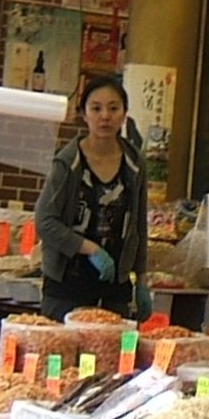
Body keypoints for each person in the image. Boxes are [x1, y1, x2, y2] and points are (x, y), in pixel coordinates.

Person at [35, 77, 152, 322]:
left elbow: (139, 226)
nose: (105, 116)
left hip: (115, 287)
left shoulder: (135, 164)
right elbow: (45, 221)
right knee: (62, 345)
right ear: (84, 114)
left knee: (116, 346)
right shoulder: (68, 162)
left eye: (113, 108)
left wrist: (141, 280)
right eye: (96, 108)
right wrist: (90, 249)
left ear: (124, 114)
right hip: (67, 284)